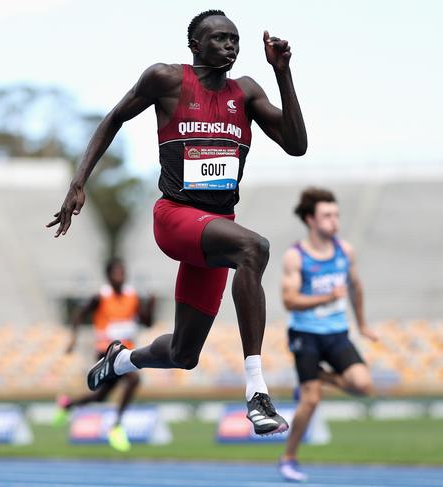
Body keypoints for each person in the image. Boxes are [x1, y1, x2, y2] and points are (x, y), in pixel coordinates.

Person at [47, 9, 307, 434]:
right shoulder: (166, 79)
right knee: (253, 248)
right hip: (176, 218)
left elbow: (296, 145)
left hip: (217, 225)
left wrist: (283, 73)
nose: (230, 46)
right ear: (195, 45)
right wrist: (79, 182)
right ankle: (257, 392)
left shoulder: (247, 92)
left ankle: (121, 359)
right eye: (220, 38)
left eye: (235, 40)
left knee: (185, 353)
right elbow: (113, 118)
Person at [278, 187, 376, 482]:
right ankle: (289, 459)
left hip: (336, 332)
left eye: (336, 215)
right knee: (311, 401)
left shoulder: (345, 251)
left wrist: (362, 325)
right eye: (327, 215)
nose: (335, 221)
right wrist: (327, 297)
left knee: (363, 385)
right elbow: (289, 300)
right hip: (305, 334)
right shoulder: (296, 257)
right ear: (310, 219)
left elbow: (356, 287)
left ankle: (319, 376)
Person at [53, 258, 155, 452]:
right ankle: (116, 426)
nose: (121, 276)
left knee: (100, 397)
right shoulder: (100, 296)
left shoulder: (132, 296)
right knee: (133, 380)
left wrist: (150, 306)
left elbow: (147, 323)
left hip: (126, 352)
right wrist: (73, 338)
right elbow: (79, 315)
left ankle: (67, 404)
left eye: (123, 272)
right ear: (108, 276)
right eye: (117, 273)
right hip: (105, 352)